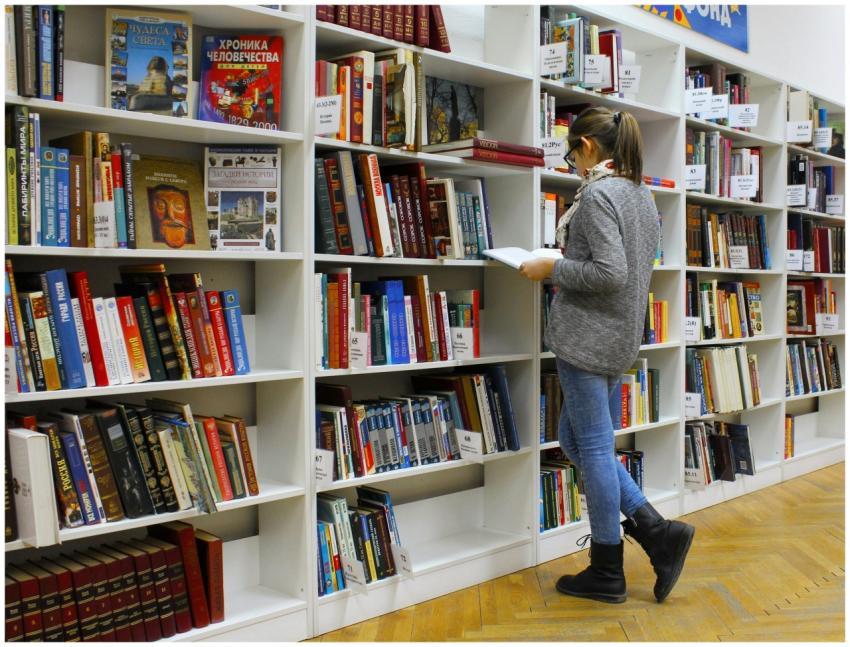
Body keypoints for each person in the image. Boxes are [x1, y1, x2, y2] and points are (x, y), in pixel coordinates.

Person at [519, 106, 694, 604]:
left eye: (572, 152)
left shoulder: (597, 196)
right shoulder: (640, 194)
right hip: (618, 337)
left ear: (589, 147)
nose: (571, 162)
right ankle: (655, 529)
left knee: (592, 448)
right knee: (573, 438)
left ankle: (607, 568)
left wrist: (551, 267)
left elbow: (609, 273)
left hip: (587, 338)